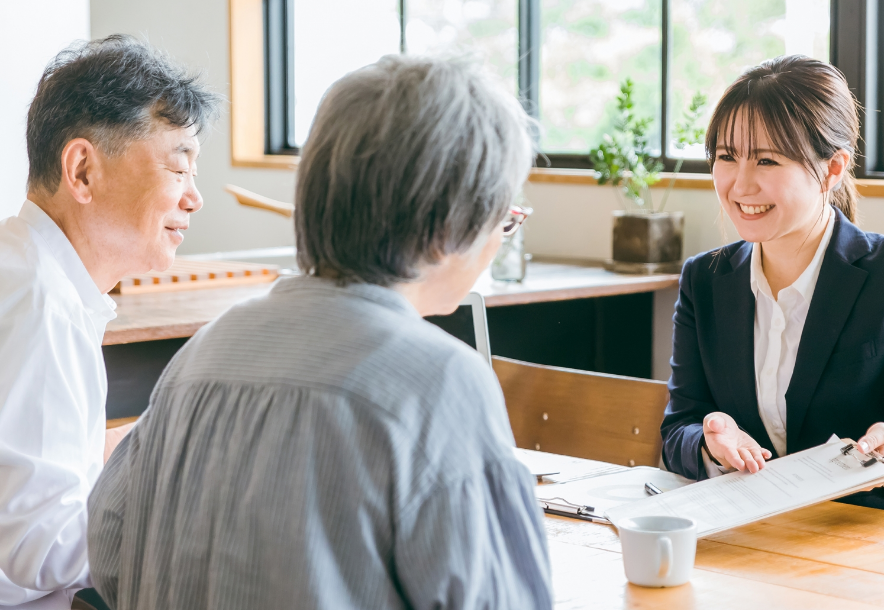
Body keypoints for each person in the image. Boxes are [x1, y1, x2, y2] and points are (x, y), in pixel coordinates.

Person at [87, 55, 551, 609]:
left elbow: (110, 557)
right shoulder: (442, 382)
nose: (499, 239)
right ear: (451, 225)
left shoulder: (203, 354)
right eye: (504, 219)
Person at [0, 35, 219, 609]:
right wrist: (198, 519)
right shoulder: (34, 307)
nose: (195, 198)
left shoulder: (4, 266)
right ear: (82, 170)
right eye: (178, 167)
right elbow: (45, 548)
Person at [660, 55, 884, 522]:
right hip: (775, 536)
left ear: (832, 169)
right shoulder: (704, 280)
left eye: (767, 160)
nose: (740, 184)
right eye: (727, 157)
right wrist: (710, 444)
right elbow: (677, 430)